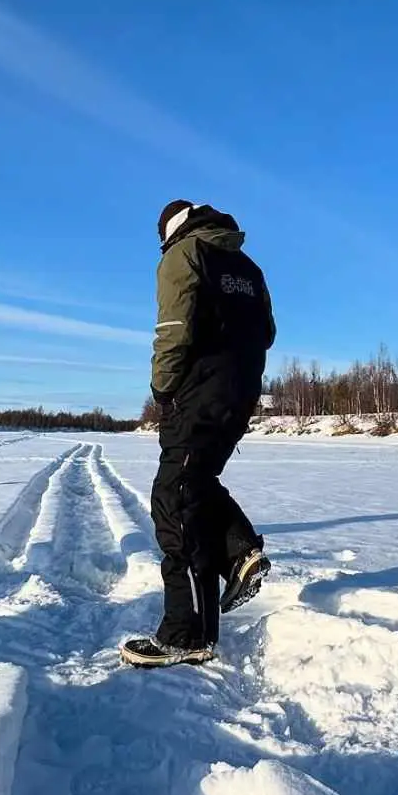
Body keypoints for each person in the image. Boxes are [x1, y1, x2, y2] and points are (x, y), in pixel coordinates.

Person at [120, 200, 275, 667]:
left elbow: (172, 330)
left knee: (174, 498)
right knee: (196, 483)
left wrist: (162, 390)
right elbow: (267, 331)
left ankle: (186, 633)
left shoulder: (183, 255)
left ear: (170, 231)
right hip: (243, 388)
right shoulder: (247, 266)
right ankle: (239, 551)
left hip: (200, 389)